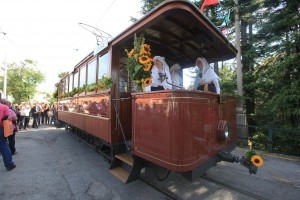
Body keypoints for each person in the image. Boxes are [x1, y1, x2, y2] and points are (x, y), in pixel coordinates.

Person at [0, 100, 16, 171]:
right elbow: (9, 118)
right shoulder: (4, 107)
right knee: (4, 146)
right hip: (1, 128)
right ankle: (9, 164)